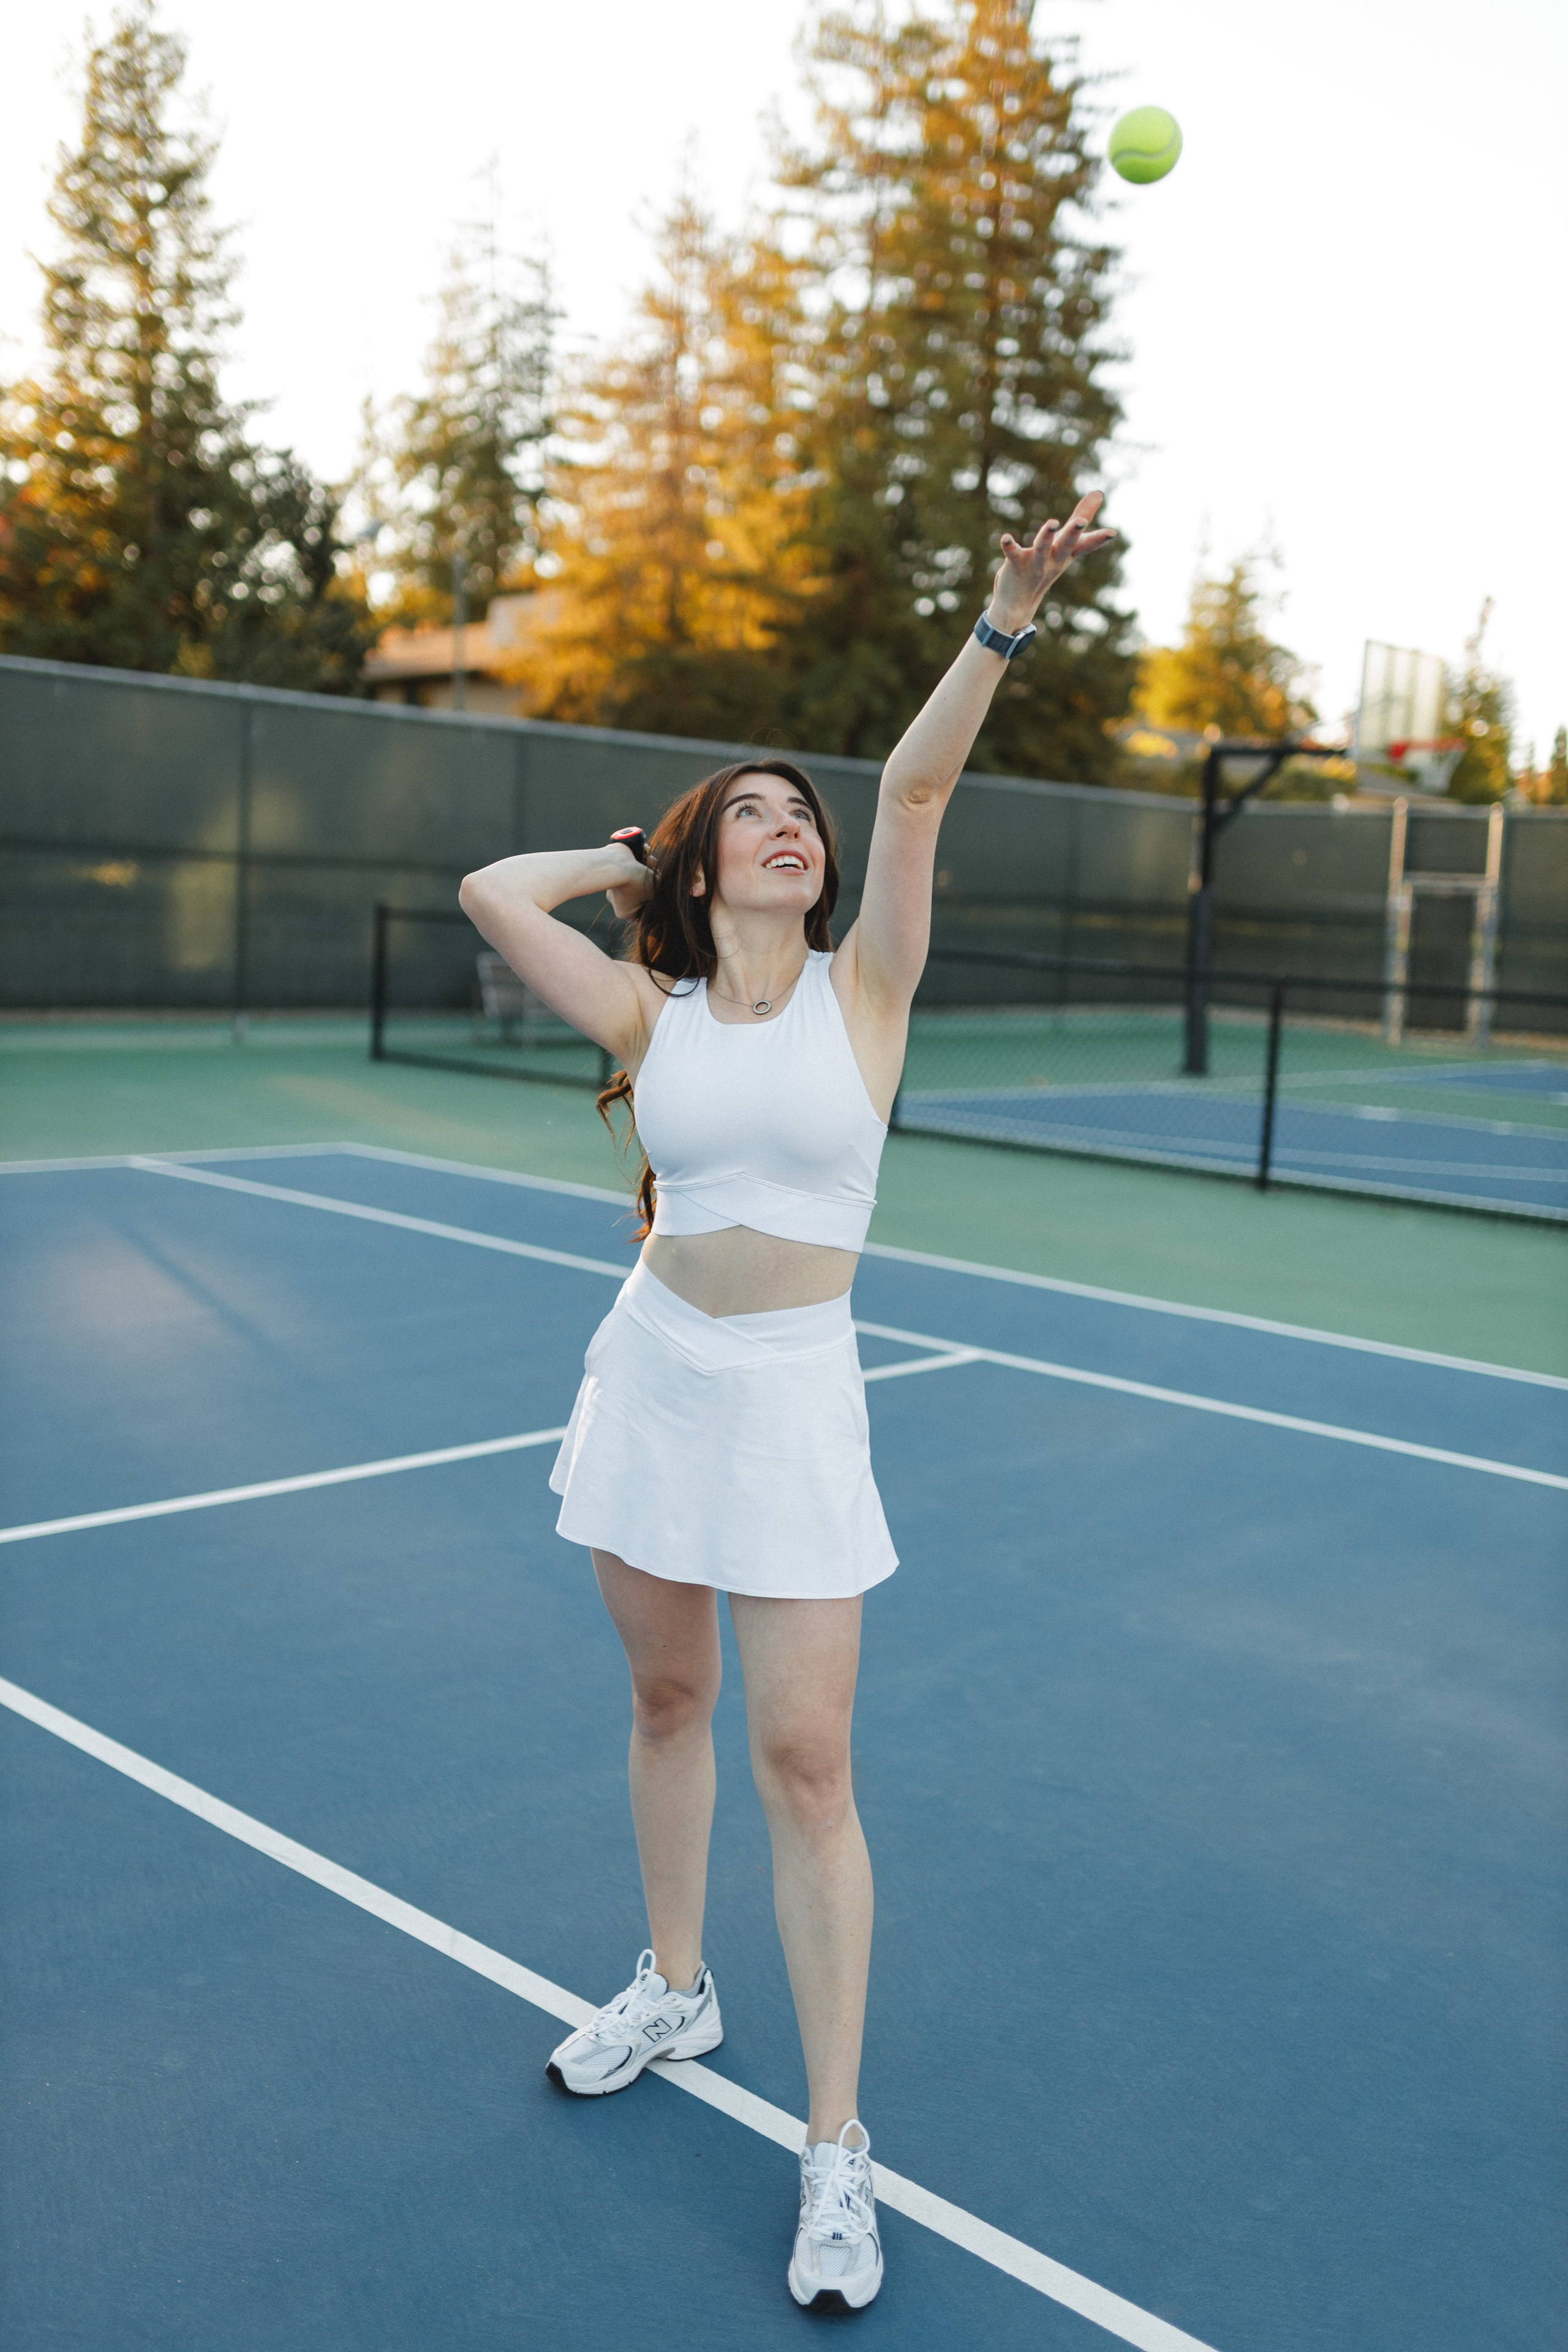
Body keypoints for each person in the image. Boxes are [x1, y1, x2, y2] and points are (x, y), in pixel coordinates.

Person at [459, 496, 1115, 2313]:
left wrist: (1003, 612)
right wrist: (625, 863)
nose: (793, 830)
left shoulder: (869, 994)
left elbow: (911, 796)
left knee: (805, 1762)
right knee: (670, 1697)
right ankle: (679, 1983)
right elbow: (485, 896)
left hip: (797, 1398)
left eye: (796, 819)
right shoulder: (651, 1016)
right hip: (653, 1376)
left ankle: (837, 2147)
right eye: (753, 816)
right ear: (703, 865)